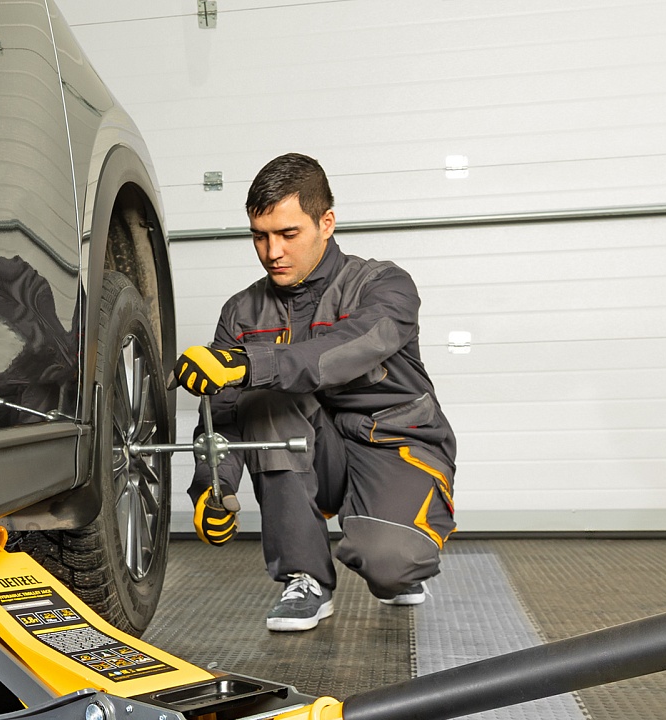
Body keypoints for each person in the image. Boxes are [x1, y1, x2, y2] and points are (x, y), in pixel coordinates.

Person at [170, 152, 456, 632]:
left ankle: (396, 561)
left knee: (389, 566)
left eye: (288, 234)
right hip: (313, 452)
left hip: (394, 444)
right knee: (264, 400)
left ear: (326, 223)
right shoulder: (241, 312)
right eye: (259, 236)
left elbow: (346, 350)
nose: (272, 252)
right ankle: (303, 577)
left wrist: (247, 364)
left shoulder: (384, 285)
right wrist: (211, 487)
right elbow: (222, 414)